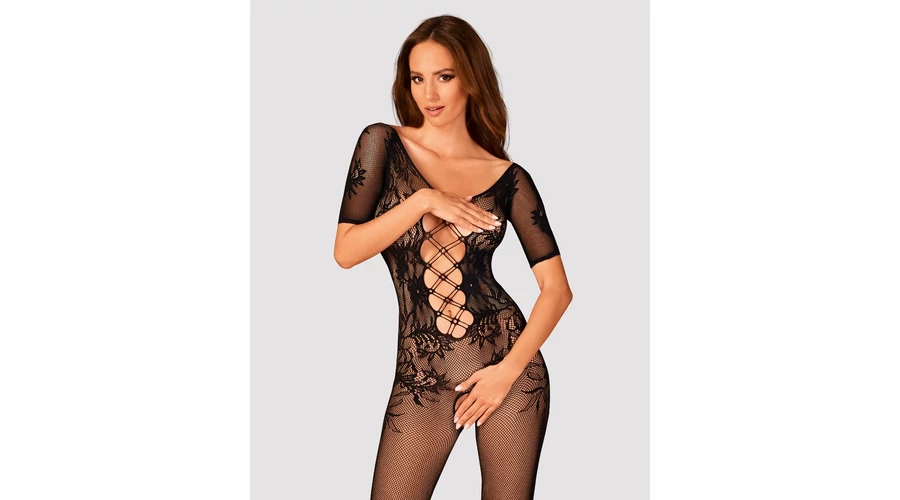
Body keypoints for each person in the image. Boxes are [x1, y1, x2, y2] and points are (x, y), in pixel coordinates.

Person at [333, 14, 573, 500]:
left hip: (508, 365)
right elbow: (346, 250)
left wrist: (507, 373)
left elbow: (557, 290)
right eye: (417, 78)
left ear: (470, 78)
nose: (430, 93)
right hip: (422, 376)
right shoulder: (382, 143)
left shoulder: (509, 178)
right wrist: (423, 201)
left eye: (444, 76)